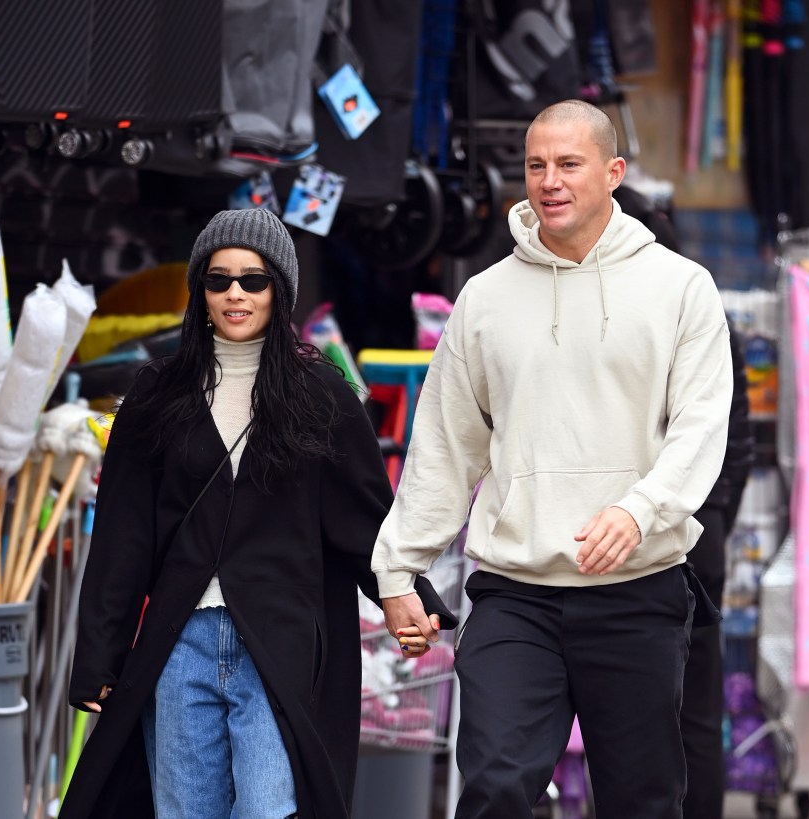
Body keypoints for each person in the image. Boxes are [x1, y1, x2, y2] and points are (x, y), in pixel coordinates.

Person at [371, 99, 733, 819]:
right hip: (516, 592)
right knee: (496, 786)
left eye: (569, 164)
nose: (549, 181)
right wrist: (397, 568)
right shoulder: (484, 299)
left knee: (642, 801)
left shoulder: (681, 288)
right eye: (536, 165)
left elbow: (700, 429)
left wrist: (639, 510)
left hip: (638, 590)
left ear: (613, 172)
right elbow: (444, 447)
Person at [60, 207, 455, 819]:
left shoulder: (321, 393)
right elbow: (123, 537)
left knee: (270, 811)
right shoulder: (156, 396)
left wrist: (409, 594)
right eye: (219, 280)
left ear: (281, 290)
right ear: (200, 290)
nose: (235, 294)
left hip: (280, 642)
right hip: (179, 641)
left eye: (254, 279)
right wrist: (99, 658)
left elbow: (364, 522)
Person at [615, 184, 755, 818]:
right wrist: (719, 513)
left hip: (668, 538)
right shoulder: (704, 310)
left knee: (655, 707)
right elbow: (740, 444)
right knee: (692, 708)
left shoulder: (663, 314)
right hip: (704, 531)